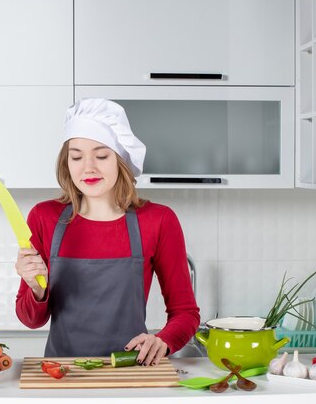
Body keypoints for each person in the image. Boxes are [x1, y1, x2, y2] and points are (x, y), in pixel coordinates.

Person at [15, 98, 200, 366]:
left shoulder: (159, 221)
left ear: (121, 159)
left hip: (131, 371)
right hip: (62, 376)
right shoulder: (44, 217)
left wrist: (163, 340)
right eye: (76, 156)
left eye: (101, 155)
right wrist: (36, 287)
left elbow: (186, 313)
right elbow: (30, 320)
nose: (88, 167)